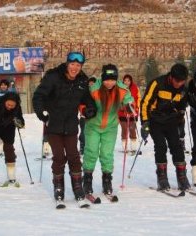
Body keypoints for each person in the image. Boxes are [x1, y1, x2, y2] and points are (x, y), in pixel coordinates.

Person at [32, 51, 96, 205]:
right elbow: (38, 96)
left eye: (78, 65)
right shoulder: (54, 76)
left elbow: (89, 101)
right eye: (72, 64)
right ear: (67, 64)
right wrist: (42, 113)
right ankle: (59, 187)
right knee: (59, 157)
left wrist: (90, 110)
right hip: (53, 124)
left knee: (74, 156)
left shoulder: (82, 81)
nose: (75, 68)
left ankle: (77, 187)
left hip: (71, 125)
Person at [83, 65, 134, 197]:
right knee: (91, 152)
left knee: (107, 154)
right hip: (93, 125)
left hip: (110, 127)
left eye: (112, 80)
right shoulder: (94, 89)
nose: (109, 82)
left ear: (116, 79)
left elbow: (129, 100)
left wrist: (129, 106)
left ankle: (107, 180)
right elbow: (83, 102)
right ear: (102, 78)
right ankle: (87, 180)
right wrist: (84, 110)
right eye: (106, 79)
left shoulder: (122, 89)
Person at [140, 63, 190, 191]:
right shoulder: (157, 83)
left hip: (171, 121)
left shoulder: (183, 89)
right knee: (161, 146)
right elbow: (145, 103)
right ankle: (162, 177)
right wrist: (145, 122)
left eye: (182, 81)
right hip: (155, 120)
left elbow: (182, 105)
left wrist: (181, 115)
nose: (179, 84)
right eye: (177, 81)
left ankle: (182, 176)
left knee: (177, 147)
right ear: (171, 77)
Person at [117, 74, 140, 153]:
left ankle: (133, 148)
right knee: (124, 129)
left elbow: (138, 99)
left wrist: (136, 108)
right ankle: (125, 148)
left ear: (131, 81)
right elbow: (118, 100)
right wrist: (121, 107)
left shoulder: (135, 88)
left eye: (128, 80)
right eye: (125, 80)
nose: (126, 82)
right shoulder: (120, 88)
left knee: (132, 129)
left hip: (132, 112)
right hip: (122, 113)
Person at [78, 77, 97, 155]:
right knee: (83, 133)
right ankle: (82, 148)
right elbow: (80, 104)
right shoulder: (84, 92)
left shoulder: (97, 93)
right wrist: (84, 110)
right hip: (84, 116)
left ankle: (91, 149)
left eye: (93, 83)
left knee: (93, 134)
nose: (91, 84)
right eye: (90, 83)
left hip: (94, 118)